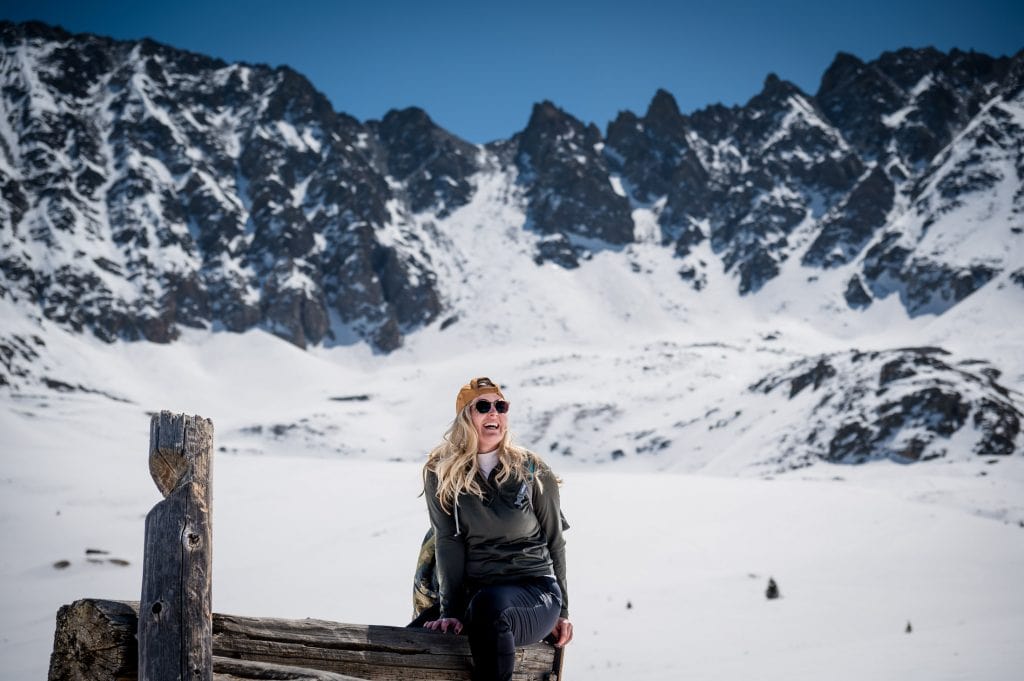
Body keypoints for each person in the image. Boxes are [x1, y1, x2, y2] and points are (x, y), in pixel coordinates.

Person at [422, 377, 573, 681]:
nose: (494, 413)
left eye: (500, 406)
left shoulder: (531, 468)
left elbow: (556, 540)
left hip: (534, 592)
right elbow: (447, 541)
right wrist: (448, 612)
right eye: (483, 406)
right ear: (465, 417)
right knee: (409, 640)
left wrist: (564, 613)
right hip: (474, 594)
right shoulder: (440, 470)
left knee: (489, 608)